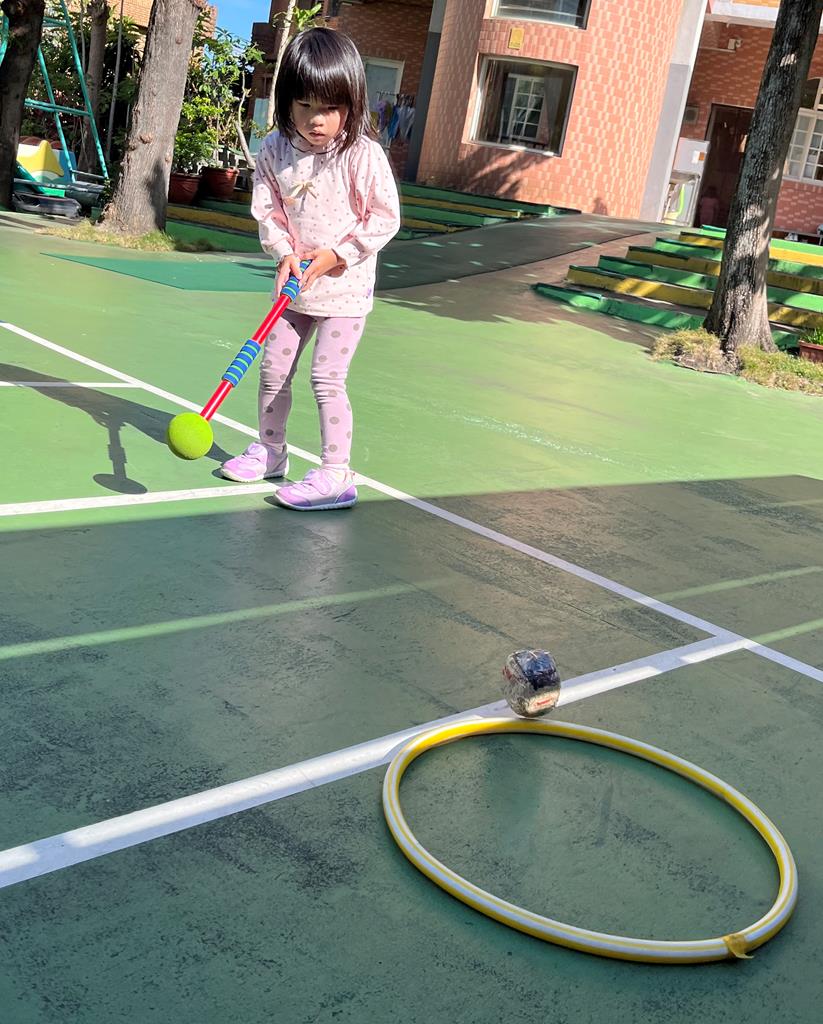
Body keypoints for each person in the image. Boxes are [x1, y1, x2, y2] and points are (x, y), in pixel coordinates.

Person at [221, 28, 401, 510]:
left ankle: (336, 473)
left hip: (345, 291)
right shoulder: (274, 149)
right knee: (272, 372)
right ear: (287, 101)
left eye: (330, 108)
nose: (316, 120)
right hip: (294, 289)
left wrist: (338, 255)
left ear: (351, 103)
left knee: (326, 378)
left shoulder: (362, 154)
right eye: (304, 106)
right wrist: (283, 252)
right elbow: (268, 210)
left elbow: (384, 217)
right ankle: (271, 451)